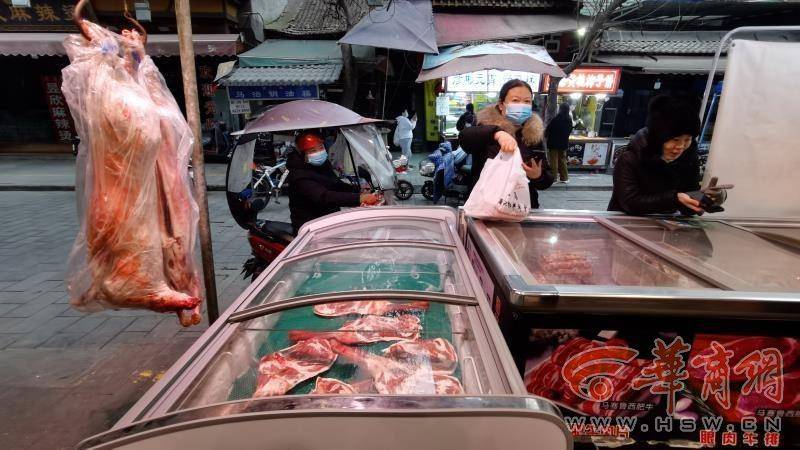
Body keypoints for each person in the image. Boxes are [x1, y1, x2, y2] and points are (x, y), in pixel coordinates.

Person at [459, 79, 554, 209]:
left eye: (527, 101)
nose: (521, 105)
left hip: (521, 208)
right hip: (486, 206)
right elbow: (464, 138)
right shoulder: (484, 126)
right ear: (501, 105)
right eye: (515, 100)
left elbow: (547, 180)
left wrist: (538, 176)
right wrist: (497, 133)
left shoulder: (534, 135)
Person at [608, 95, 703, 215]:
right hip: (625, 222)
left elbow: (689, 203)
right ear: (659, 137)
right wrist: (674, 199)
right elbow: (630, 203)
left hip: (668, 223)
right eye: (675, 139)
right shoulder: (630, 158)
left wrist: (704, 200)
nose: (681, 146)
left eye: (687, 139)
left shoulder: (689, 160)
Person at [287, 131, 380, 234]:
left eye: (321, 148)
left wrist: (358, 190)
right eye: (313, 150)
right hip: (310, 228)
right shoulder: (299, 175)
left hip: (329, 219)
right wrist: (358, 198)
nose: (319, 152)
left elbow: (335, 184)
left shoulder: (322, 165)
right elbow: (324, 197)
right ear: (302, 154)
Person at [546, 103, 573, 184]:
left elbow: (548, 130)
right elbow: (569, 131)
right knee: (562, 160)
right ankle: (564, 178)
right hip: (563, 143)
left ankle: (554, 178)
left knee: (553, 161)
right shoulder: (569, 120)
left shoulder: (555, 119)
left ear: (560, 109)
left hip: (553, 143)